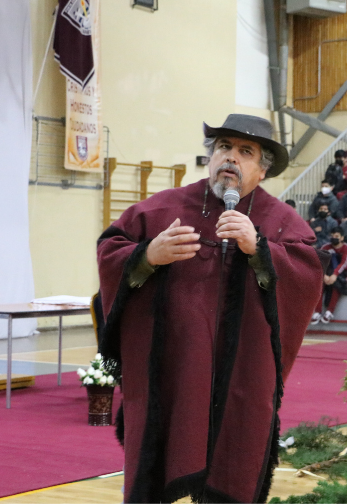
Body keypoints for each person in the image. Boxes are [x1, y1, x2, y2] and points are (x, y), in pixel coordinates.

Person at [96, 114, 324, 502]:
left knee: (235, 455)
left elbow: (306, 277)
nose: (231, 158)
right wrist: (148, 254)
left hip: (241, 372)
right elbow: (111, 251)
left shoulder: (280, 222)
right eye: (224, 147)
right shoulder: (161, 209)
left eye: (245, 151)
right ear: (210, 157)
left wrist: (261, 250)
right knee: (159, 454)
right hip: (170, 367)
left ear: (262, 169)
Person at [313, 228, 347, 325]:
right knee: (318, 284)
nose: (334, 238)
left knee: (338, 285)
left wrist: (335, 274)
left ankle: (329, 312)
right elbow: (320, 262)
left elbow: (344, 263)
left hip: (341, 272)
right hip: (326, 271)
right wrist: (324, 275)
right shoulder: (326, 247)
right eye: (332, 236)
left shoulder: (346, 247)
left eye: (337, 237)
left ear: (342, 238)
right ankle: (317, 312)